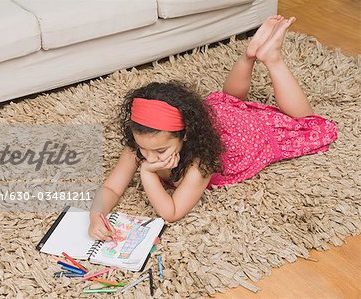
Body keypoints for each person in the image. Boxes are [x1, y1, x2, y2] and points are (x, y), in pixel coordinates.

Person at [88, 16, 338, 241]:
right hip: (220, 118)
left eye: (160, 151)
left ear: (184, 134)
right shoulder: (144, 143)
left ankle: (273, 59)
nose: (149, 157)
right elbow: (111, 187)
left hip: (244, 137)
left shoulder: (200, 163)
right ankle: (248, 56)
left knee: (306, 123)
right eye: (143, 149)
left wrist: (147, 173)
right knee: (228, 102)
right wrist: (96, 214)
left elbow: (172, 212)